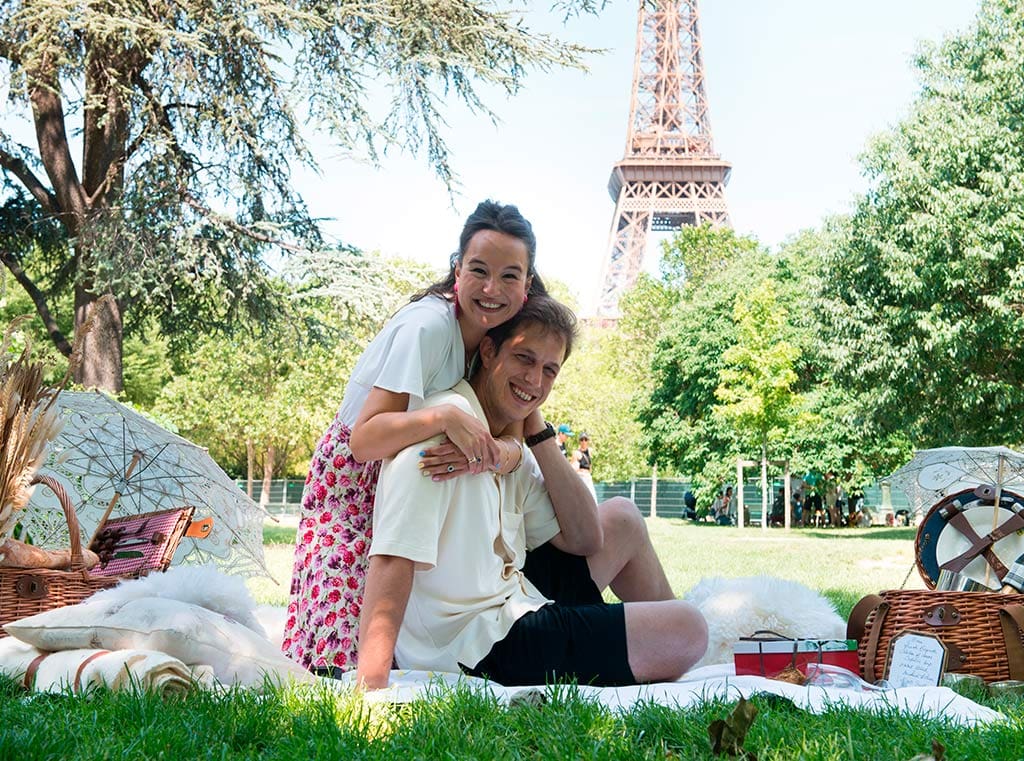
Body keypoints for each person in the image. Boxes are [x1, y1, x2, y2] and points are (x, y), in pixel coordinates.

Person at [355, 296, 707, 689]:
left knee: (622, 516)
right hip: (473, 646)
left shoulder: (507, 441)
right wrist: (371, 686)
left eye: (549, 371)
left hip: (515, 602)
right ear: (488, 352)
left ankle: (654, 648)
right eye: (524, 359)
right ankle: (660, 650)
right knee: (688, 629)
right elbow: (392, 556)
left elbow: (587, 537)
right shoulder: (445, 428)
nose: (535, 381)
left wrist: (532, 429)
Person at [282, 200, 547, 675]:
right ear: (456, 270)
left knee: (393, 642)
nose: (492, 289)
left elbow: (515, 434)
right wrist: (443, 416)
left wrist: (500, 451)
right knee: (336, 662)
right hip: (353, 485)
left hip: (410, 479)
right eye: (479, 270)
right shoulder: (427, 326)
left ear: (527, 286)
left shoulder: (493, 338)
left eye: (510, 276)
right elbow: (363, 441)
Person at [570, 432, 597, 501]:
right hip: (581, 477)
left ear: (588, 441)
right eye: (582, 439)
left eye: (585, 439)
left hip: (588, 477)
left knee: (593, 498)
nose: (584, 442)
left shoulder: (590, 451)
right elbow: (572, 468)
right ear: (579, 441)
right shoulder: (576, 453)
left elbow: (590, 466)